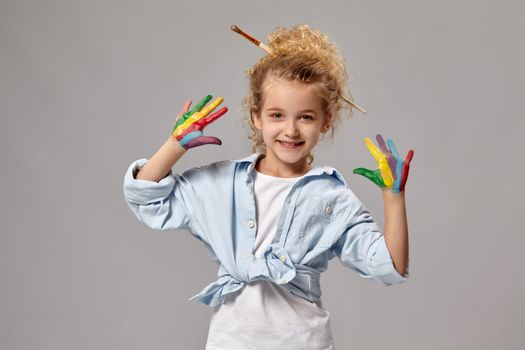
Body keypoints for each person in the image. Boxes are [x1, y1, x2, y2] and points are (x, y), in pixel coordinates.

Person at [123, 24, 413, 350]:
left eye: (305, 117)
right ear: (257, 117)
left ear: (326, 121)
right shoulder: (222, 184)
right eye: (277, 115)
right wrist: (174, 146)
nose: (290, 129)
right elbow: (147, 199)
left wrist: (393, 196)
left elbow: (389, 266)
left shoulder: (332, 197)